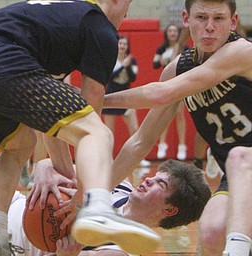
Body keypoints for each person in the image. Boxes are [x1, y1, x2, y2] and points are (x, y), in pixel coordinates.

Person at [0, 1, 159, 256]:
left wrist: (65, 175)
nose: (126, 14)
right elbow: (90, 114)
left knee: (19, 145)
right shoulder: (100, 27)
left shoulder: (56, 18)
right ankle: (98, 207)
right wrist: (83, 193)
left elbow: (53, 125)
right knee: (97, 133)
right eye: (127, 6)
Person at [103, 0, 252, 255]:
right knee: (211, 231)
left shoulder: (242, 52)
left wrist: (96, 101)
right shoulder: (176, 70)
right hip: (237, 175)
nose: (209, 27)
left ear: (233, 22)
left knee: (241, 156)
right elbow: (141, 141)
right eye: (201, 17)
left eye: (218, 19)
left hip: (244, 162)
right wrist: (95, 195)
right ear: (186, 18)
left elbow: (161, 94)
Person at [0, 123, 211, 256]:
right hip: (1, 200)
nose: (148, 180)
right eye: (155, 176)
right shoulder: (116, 182)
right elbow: (55, 165)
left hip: (8, 243)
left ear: (169, 209)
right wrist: (43, 167)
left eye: (160, 184)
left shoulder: (121, 251)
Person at [102, 35, 150, 167]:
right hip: (111, 96)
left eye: (125, 44)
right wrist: (122, 66)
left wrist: (127, 66)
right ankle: (108, 159)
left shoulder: (131, 61)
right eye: (120, 43)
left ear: (127, 47)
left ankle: (139, 159)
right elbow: (109, 77)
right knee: (108, 131)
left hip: (127, 97)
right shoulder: (110, 59)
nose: (122, 46)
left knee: (135, 129)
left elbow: (133, 77)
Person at [153, 24, 188, 161]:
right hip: (166, 85)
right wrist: (160, 60)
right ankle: (162, 144)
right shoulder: (162, 48)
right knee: (164, 114)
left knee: (179, 113)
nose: (172, 33)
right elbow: (155, 63)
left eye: (175, 31)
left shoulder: (184, 48)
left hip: (180, 85)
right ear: (166, 34)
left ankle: (182, 145)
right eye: (170, 31)